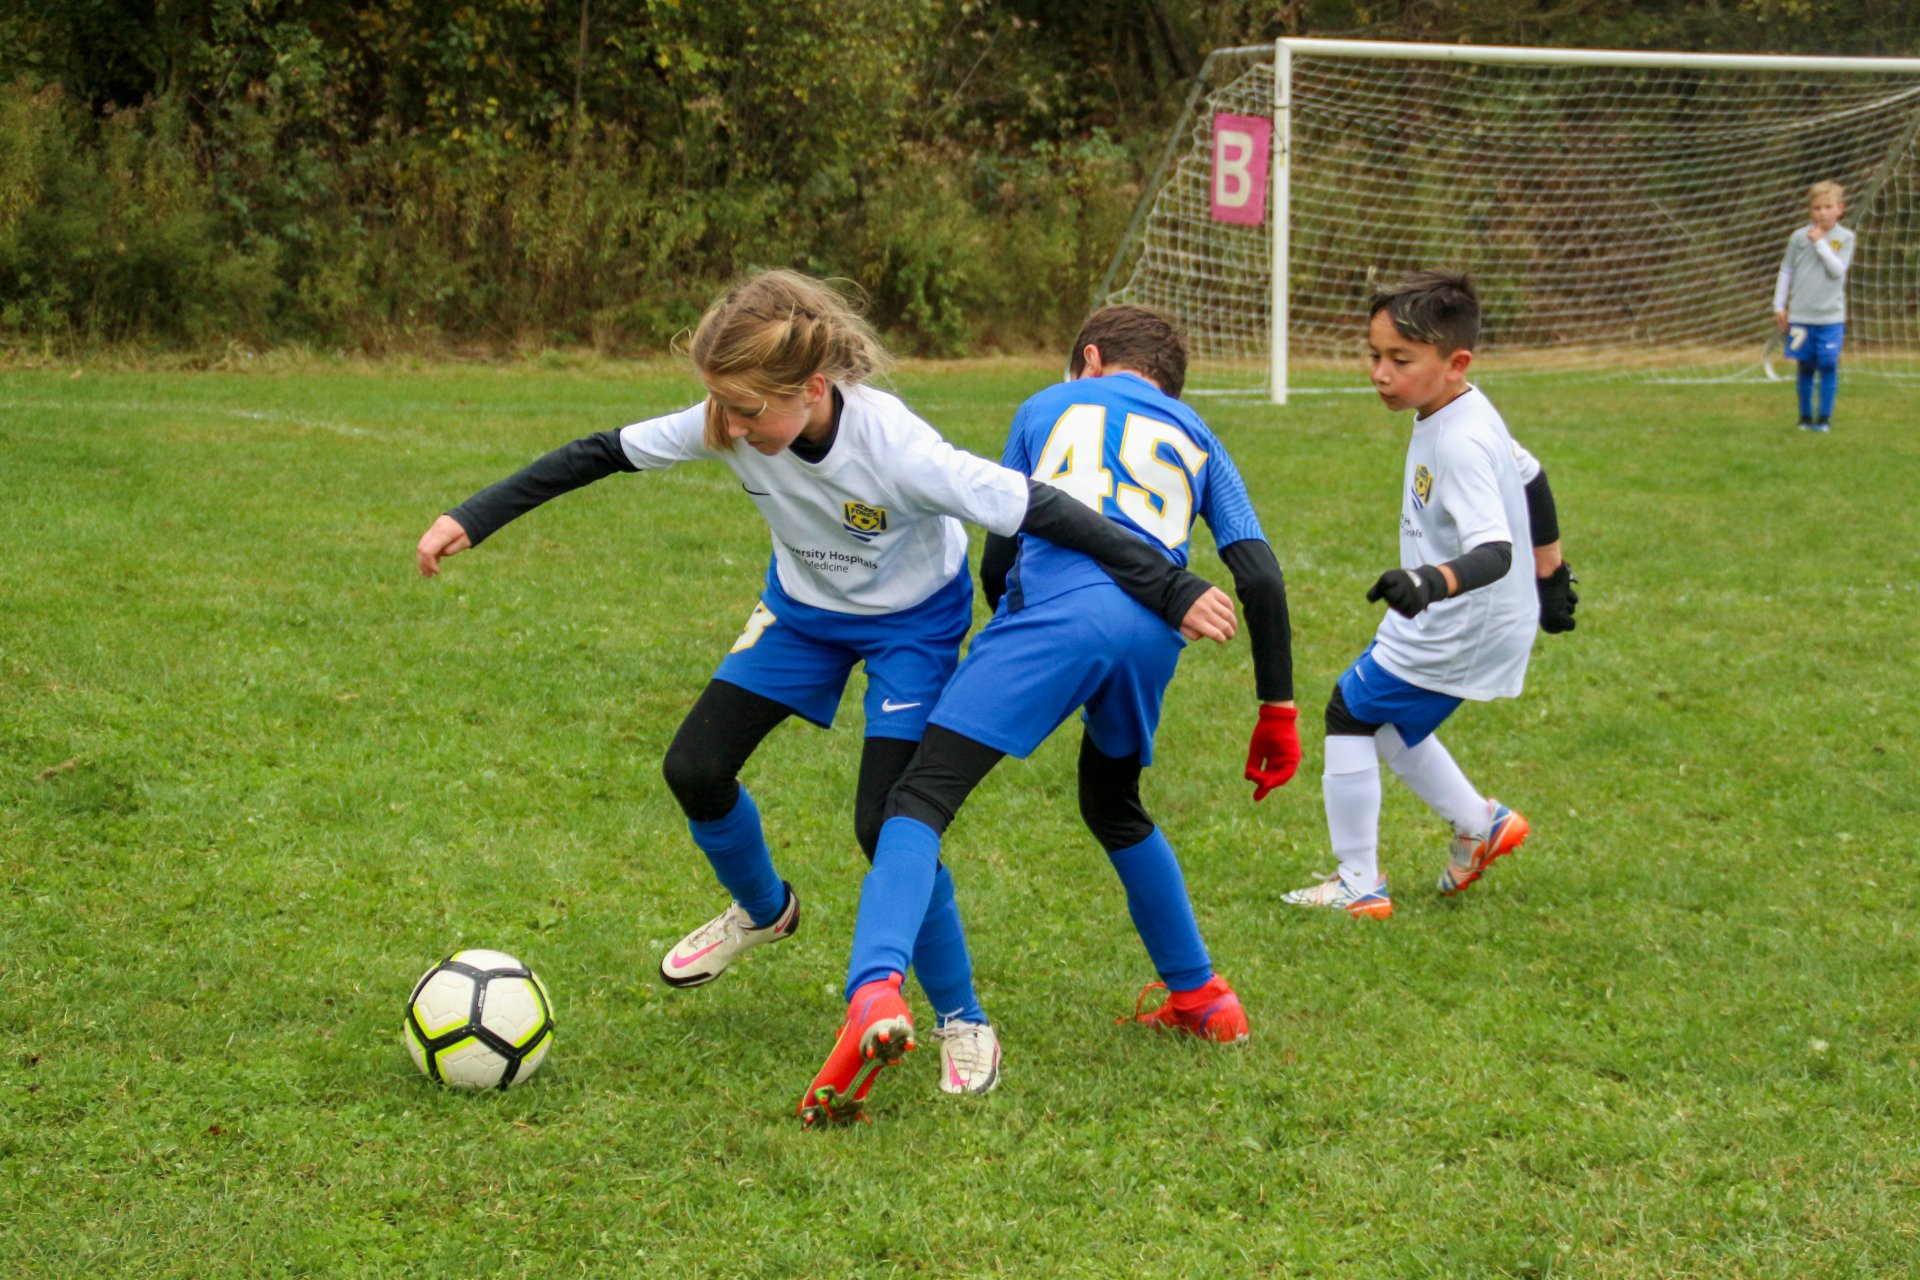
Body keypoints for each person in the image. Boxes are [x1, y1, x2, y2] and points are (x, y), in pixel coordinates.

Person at [414, 270, 1235, 1103]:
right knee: (694, 770)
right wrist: (471, 517)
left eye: (747, 412)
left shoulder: (899, 449)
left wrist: (1167, 586)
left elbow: (1044, 507)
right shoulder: (729, 418)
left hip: (913, 626)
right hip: (803, 615)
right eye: (722, 408)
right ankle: (765, 911)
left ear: (812, 389)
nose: (729, 428)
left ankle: (962, 1017)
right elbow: (600, 453)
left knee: (887, 825)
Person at [798, 303, 1302, 1126]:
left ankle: (875, 989)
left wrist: (1016, 642)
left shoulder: (1047, 406)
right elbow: (1260, 575)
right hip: (1154, 633)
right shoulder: (1203, 438)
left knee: (917, 800)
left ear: (1090, 360)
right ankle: (1204, 998)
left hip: (1058, 616)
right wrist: (1276, 710)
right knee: (1113, 804)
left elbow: (1006, 536)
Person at [1282, 270, 1576, 921]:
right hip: (1470, 614)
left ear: (1456, 362)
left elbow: (1495, 551)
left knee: (1349, 710)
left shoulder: (1462, 439)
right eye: (1375, 355)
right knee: (1382, 719)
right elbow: (1531, 475)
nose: (1380, 373)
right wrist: (1552, 575)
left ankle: (1359, 882)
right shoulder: (1463, 405)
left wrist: (1427, 582)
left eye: (1400, 360)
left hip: (1463, 617)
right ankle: (1480, 823)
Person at [1773, 181, 1855, 433]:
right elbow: (1786, 270)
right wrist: (1779, 304)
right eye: (1817, 208)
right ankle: (1805, 418)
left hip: (1831, 316)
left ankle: (1824, 419)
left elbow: (1837, 271)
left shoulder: (1845, 238)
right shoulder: (1798, 237)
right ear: (1810, 210)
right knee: (1805, 365)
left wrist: (1820, 243)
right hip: (1801, 315)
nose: (1822, 213)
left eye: (1828, 207)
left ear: (1840, 209)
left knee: (1828, 363)